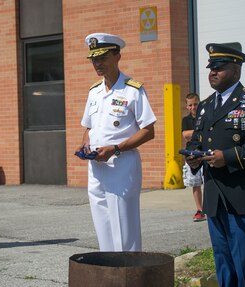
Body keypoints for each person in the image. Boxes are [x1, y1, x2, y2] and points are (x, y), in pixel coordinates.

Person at [185, 43, 245, 287]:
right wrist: (192, 156)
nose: (212, 72)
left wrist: (227, 157)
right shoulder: (205, 106)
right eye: (210, 68)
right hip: (215, 196)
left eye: (219, 67)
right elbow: (197, 140)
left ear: (236, 71)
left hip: (244, 194)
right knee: (223, 262)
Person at [77, 33, 156, 251]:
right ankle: (109, 273)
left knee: (123, 226)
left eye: (102, 57)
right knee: (102, 224)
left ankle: (129, 275)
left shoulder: (132, 90)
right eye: (94, 59)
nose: (97, 64)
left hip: (121, 166)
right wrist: (86, 145)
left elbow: (149, 131)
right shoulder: (94, 92)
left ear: (117, 56)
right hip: (97, 168)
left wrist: (116, 149)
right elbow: (89, 128)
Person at [182, 92, 206, 222]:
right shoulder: (186, 120)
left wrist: (195, 133)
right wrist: (202, 131)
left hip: (206, 152)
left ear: (199, 103)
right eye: (190, 105)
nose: (193, 107)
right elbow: (185, 135)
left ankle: (212, 208)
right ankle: (200, 210)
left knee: (209, 181)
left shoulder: (206, 116)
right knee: (196, 183)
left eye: (195, 104)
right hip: (192, 154)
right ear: (187, 106)